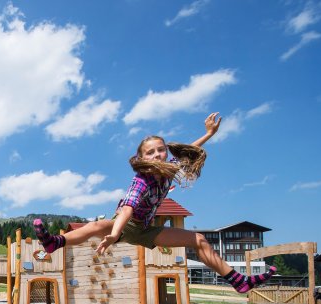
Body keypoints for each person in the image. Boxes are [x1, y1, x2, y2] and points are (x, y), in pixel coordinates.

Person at [33, 113, 275, 294]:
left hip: (147, 230)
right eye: (151, 152)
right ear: (142, 158)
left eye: (161, 150)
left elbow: (189, 151)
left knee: (199, 240)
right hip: (127, 224)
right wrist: (114, 233)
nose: (158, 155)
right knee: (97, 227)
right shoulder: (141, 180)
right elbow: (127, 208)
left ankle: (237, 281)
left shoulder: (168, 169)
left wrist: (210, 134)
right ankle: (55, 242)